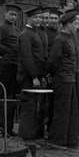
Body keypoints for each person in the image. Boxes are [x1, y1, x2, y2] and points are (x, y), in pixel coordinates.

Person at [46, 10, 79, 149]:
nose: (78, 26)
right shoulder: (60, 39)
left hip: (69, 79)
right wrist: (53, 75)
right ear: (68, 24)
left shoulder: (69, 38)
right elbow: (53, 61)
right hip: (62, 80)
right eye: (76, 24)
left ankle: (70, 139)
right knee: (61, 111)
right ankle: (55, 141)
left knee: (71, 111)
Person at [17, 7, 47, 139]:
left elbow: (38, 58)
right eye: (35, 17)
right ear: (28, 19)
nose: (38, 19)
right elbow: (27, 58)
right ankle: (26, 138)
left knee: (34, 106)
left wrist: (41, 76)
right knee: (28, 107)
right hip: (28, 76)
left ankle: (32, 136)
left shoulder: (34, 33)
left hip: (35, 75)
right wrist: (34, 77)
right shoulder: (25, 35)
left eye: (40, 17)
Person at [0, 4, 20, 135]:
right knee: (6, 96)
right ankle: (3, 128)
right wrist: (8, 52)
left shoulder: (14, 28)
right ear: (5, 14)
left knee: (12, 97)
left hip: (14, 65)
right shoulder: (1, 28)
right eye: (11, 14)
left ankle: (8, 127)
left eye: (15, 15)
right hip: (7, 66)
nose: (13, 17)